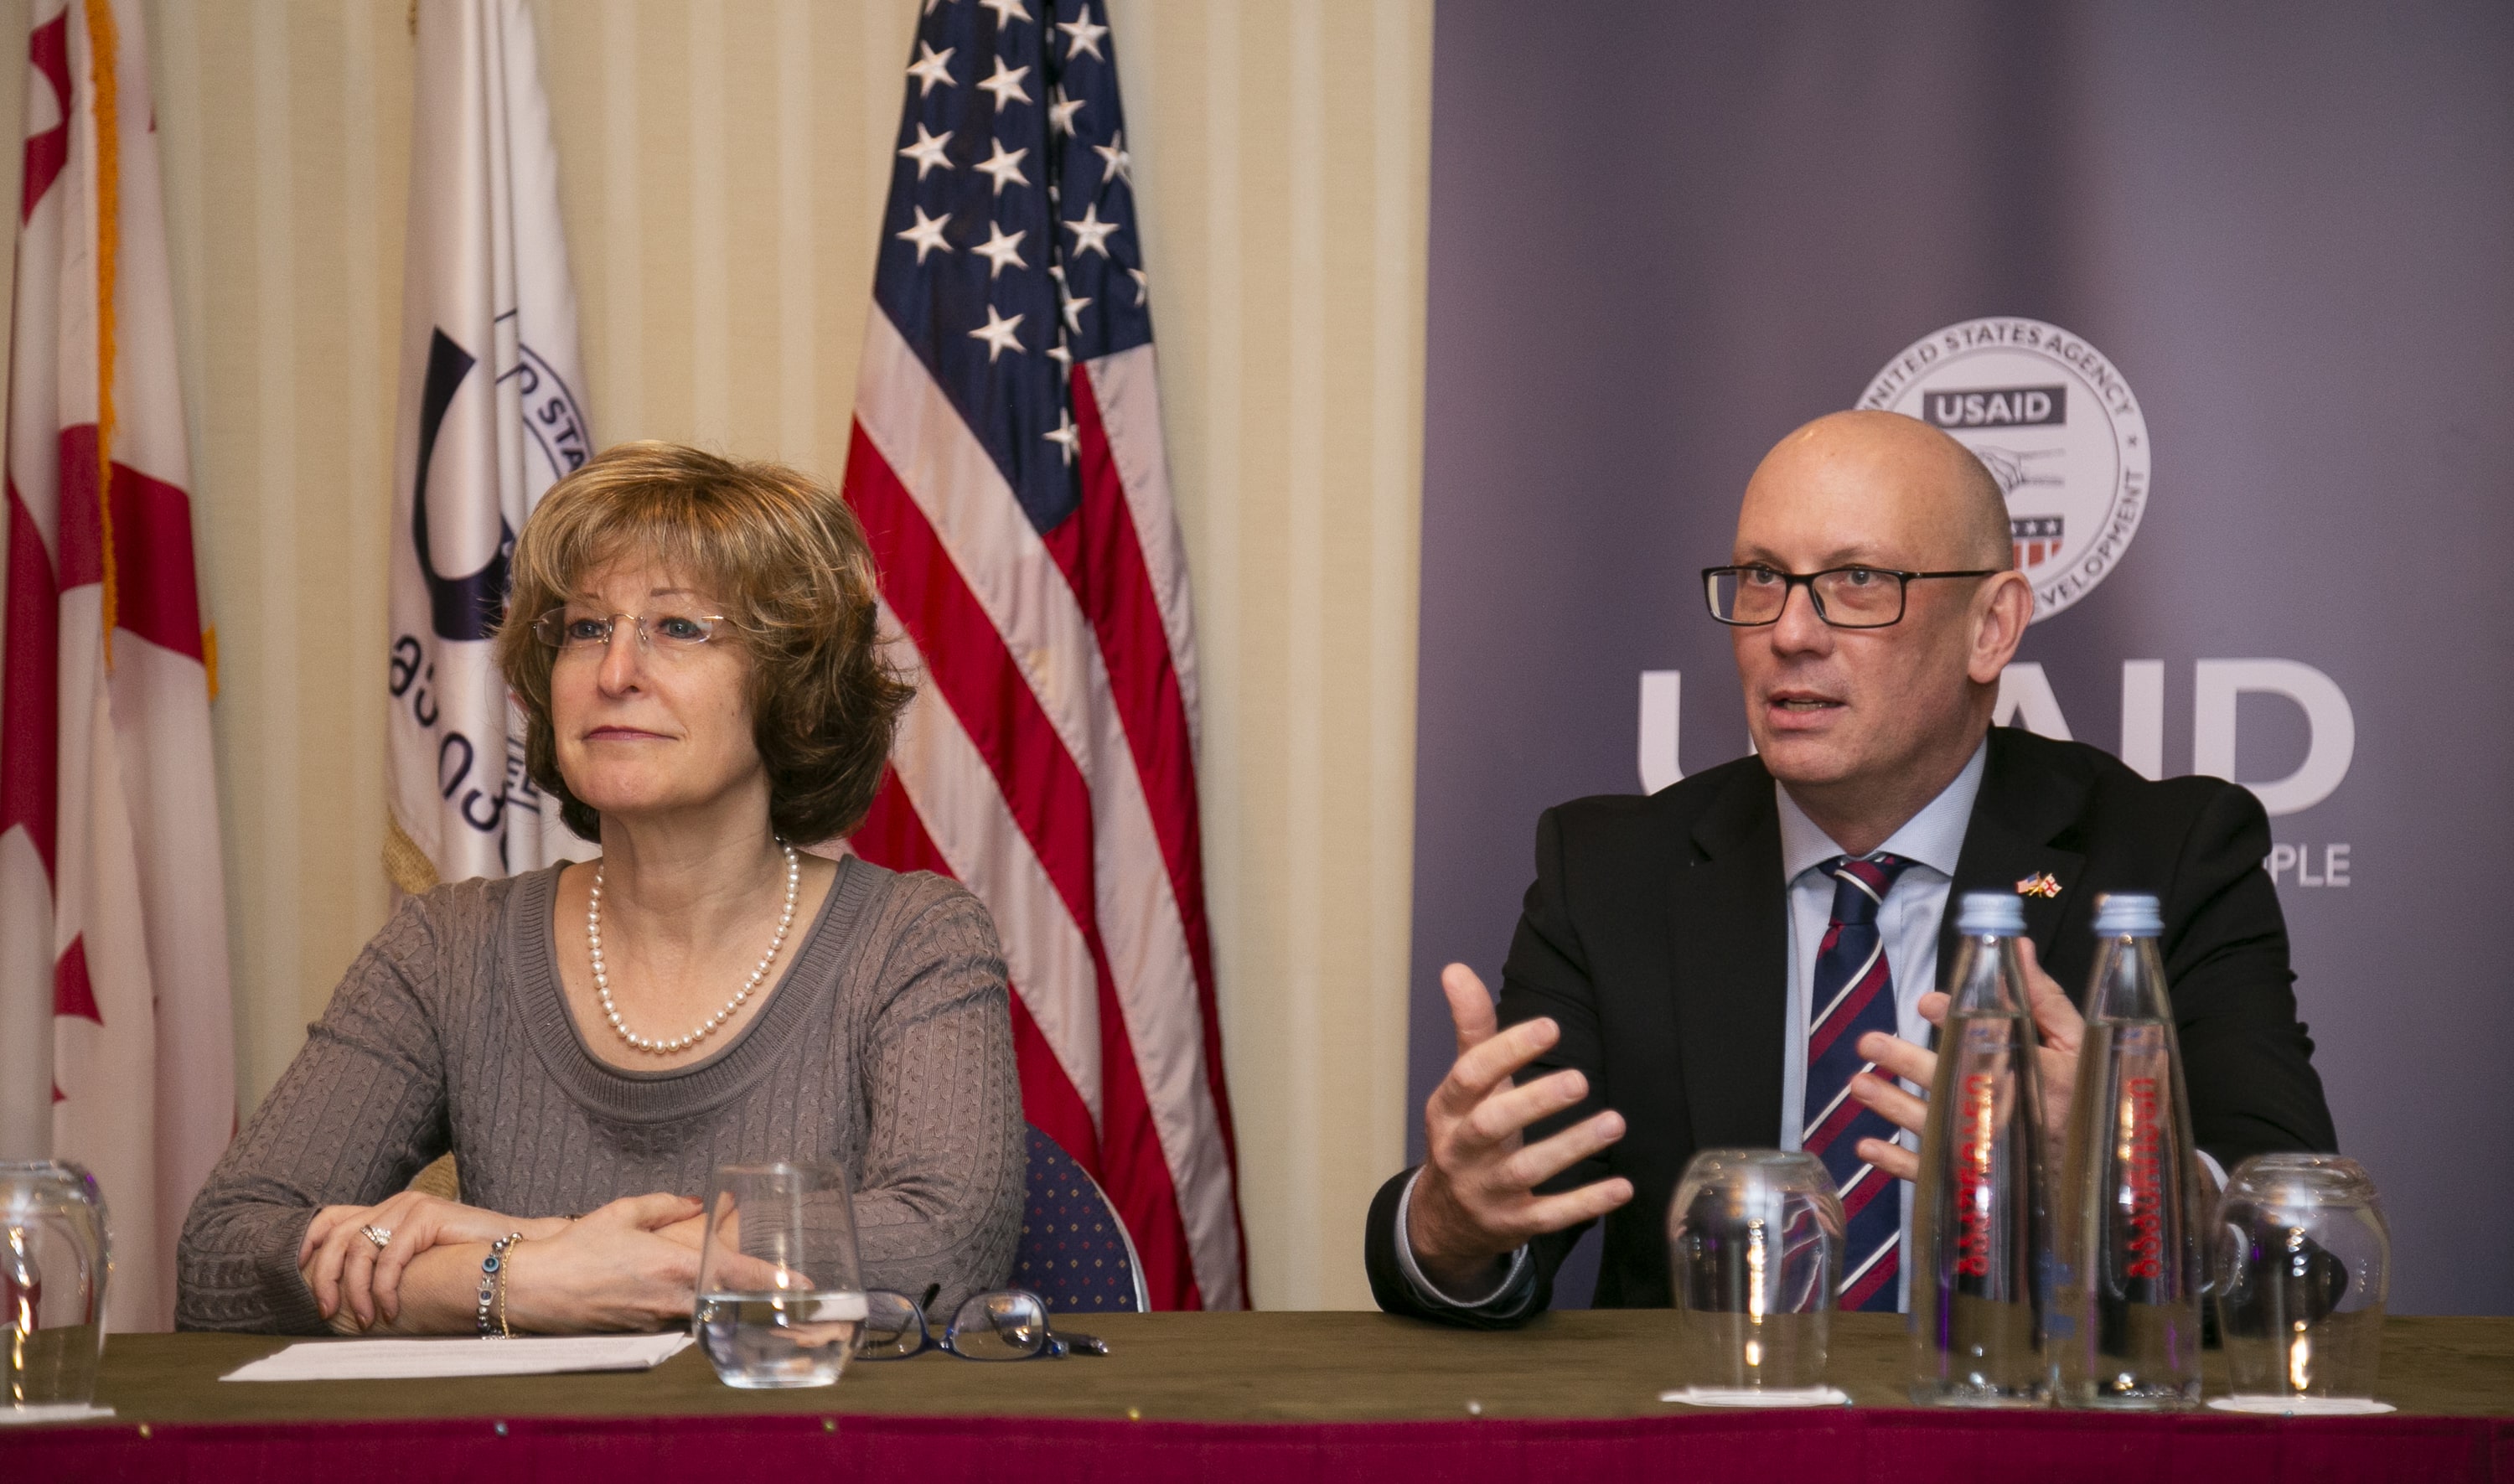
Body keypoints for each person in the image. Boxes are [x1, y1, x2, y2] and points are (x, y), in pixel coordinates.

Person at [1364, 410, 2337, 1324]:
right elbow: (1506, 1214)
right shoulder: (1612, 873)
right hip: (1711, 1420)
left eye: (1859, 580)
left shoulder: (2168, 856)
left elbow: (2300, 1243)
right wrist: (1450, 1220)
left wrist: (2135, 1177)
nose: (1790, 632)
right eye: (1761, 578)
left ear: (1991, 627)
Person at [178, 442, 1024, 1335]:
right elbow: (219, 1261)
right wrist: (510, 1281)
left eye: (679, 627)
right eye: (585, 628)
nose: (614, 672)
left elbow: (945, 1241)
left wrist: (535, 1244)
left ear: (795, 685)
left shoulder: (915, 937)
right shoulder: (447, 947)